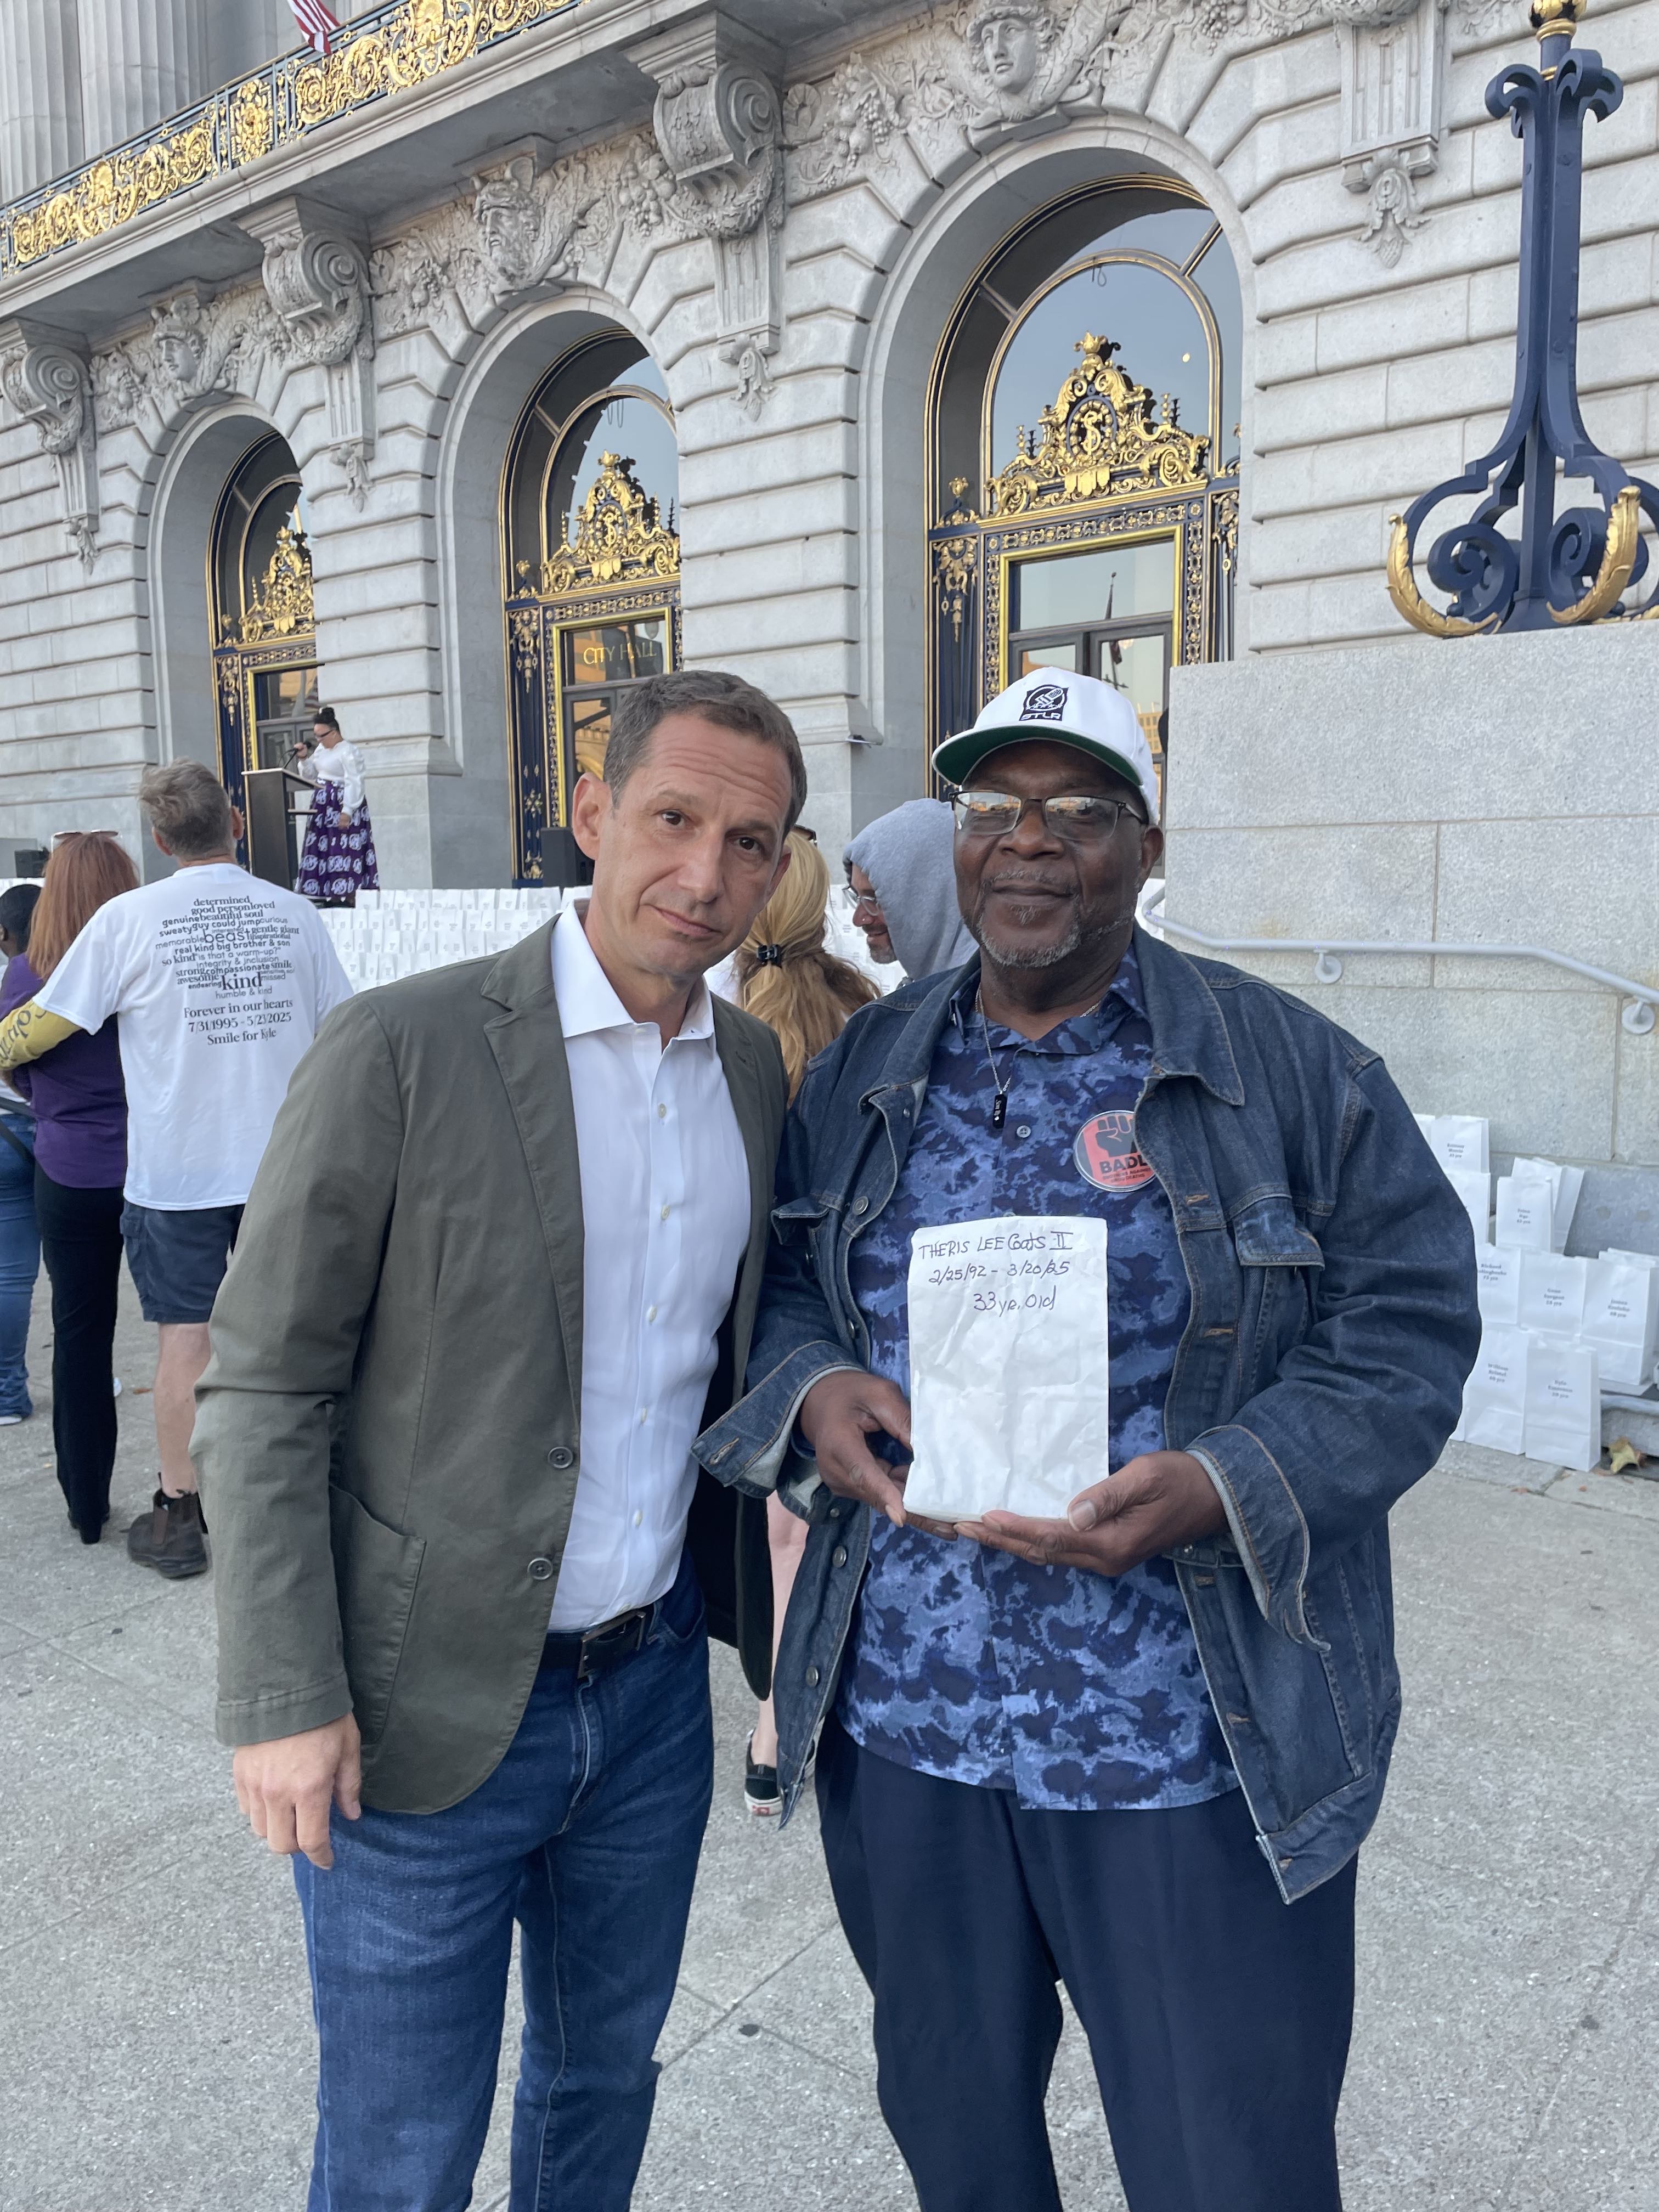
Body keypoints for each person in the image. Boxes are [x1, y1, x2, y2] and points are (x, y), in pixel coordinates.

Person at [696, 667, 1481, 2212]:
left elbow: (1409, 1328)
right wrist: (811, 1389)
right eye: (996, 810)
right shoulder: (865, 1068)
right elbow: (780, 1279)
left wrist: (1222, 1481)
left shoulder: (1292, 1070)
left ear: (1143, 838)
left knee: (1229, 2169)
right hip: (913, 1731)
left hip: (1187, 1747)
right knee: (961, 2145)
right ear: (958, 838)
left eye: (1078, 811)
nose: (1031, 843)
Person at [191, 668, 803, 2211]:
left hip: (652, 1698)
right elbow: (263, 1384)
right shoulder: (404, 1049)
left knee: (600, 2089)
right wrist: (282, 1692)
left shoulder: (748, 1075)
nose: (707, 875)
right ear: (592, 813)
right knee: (402, 2144)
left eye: (752, 842)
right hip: (419, 1712)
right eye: (674, 820)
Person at [0, 763, 351, 1581]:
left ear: (160, 839)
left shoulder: (129, 919)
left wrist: (6, 1045)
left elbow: (48, 1025)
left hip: (180, 1172)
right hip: (283, 1166)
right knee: (300, 1337)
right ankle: (303, 1500)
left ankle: (179, 1513)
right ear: (235, 819)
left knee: (184, 1343)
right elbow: (344, 1034)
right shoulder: (296, 915)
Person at [731, 828, 877, 1816]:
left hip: (768, 1302)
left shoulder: (727, 1025)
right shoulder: (870, 1007)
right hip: (859, 1294)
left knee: (786, 1522)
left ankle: (779, 1724)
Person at [0, 837, 136, 1539]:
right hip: (156, 1168)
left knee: (81, 1337)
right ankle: (193, 1494)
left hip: (70, 1168)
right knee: (190, 1330)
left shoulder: (26, 976)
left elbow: (17, 1074)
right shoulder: (146, 964)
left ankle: (87, 1505)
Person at [844, 796, 977, 979]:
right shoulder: (941, 987)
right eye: (857, 896)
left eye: (875, 898)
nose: (859, 919)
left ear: (930, 894)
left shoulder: (978, 995)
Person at [0, 883, 41, 1429]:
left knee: (10, 1274)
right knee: (78, 1269)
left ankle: (8, 1394)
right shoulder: (68, 972)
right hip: (62, 1134)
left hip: (4, 1133)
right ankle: (83, 1373)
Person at [295, 705, 379, 906]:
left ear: (333, 733)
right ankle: (326, 891)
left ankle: (348, 892)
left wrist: (348, 811)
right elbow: (310, 776)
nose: (319, 740)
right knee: (324, 848)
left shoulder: (349, 751)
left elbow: (355, 781)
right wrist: (304, 759)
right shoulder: (321, 750)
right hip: (323, 804)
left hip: (341, 802)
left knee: (344, 848)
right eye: (316, 736)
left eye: (321, 736)